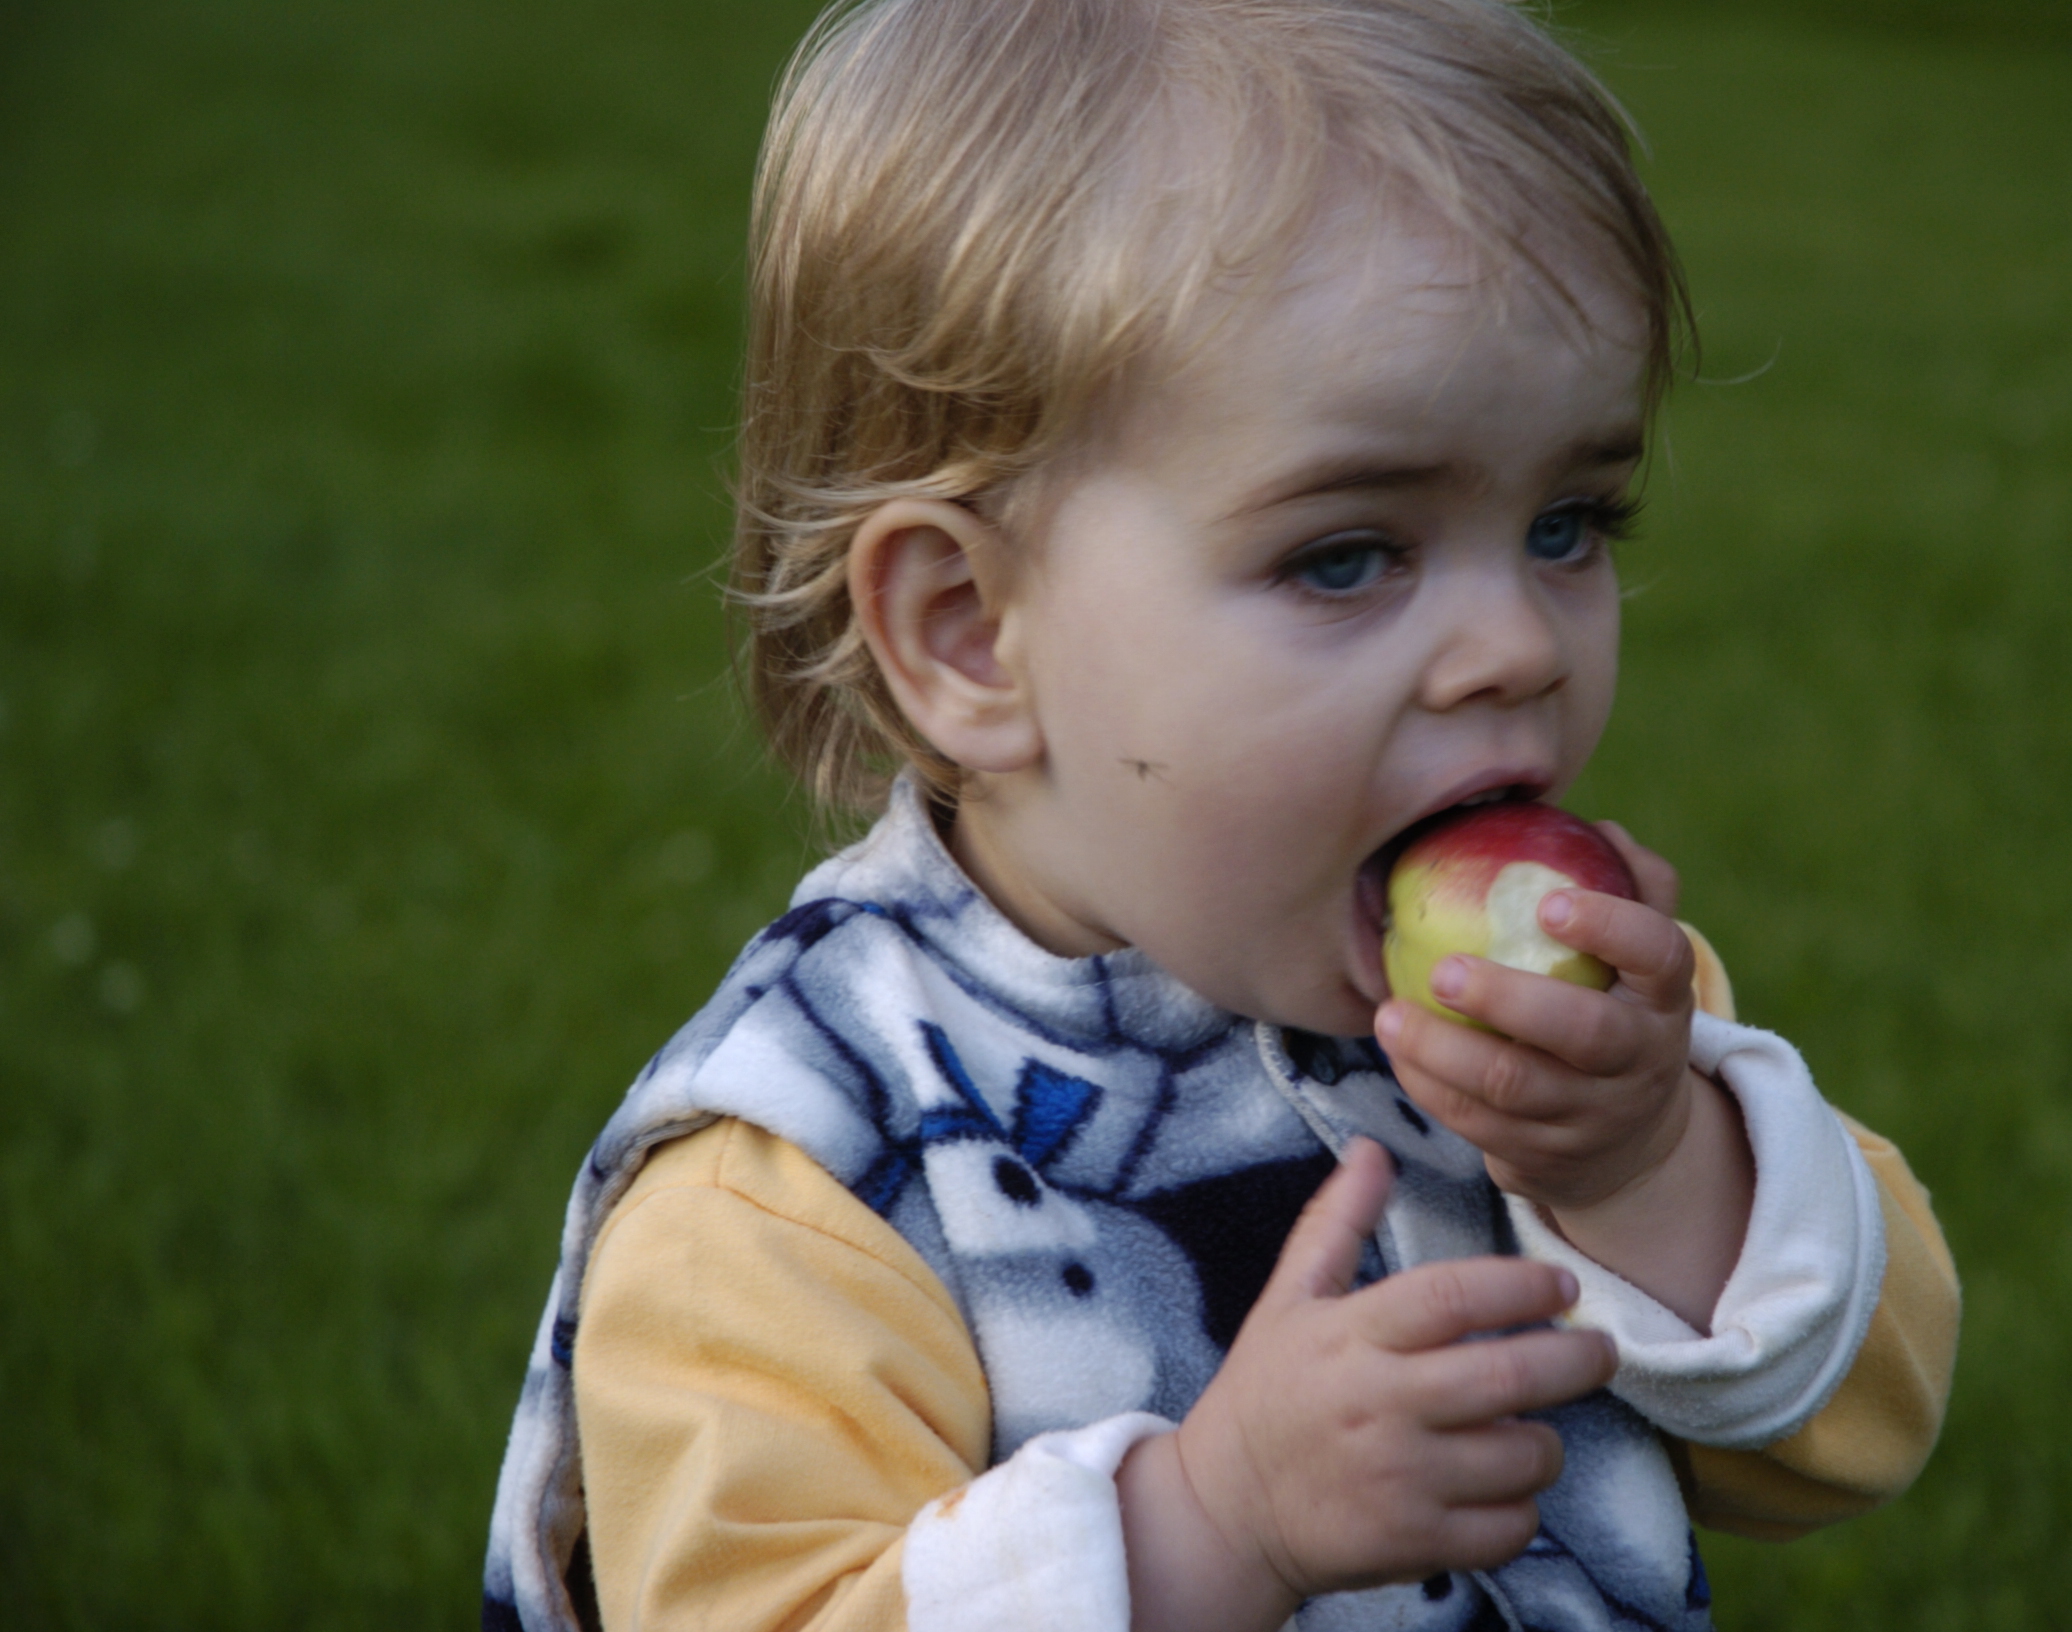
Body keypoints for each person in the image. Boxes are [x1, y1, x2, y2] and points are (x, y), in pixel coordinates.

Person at [483, 1, 1961, 1628]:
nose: (1518, 644)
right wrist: (1204, 1533)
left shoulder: (1567, 1041)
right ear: (971, 635)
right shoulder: (807, 1184)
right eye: (1347, 555)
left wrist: (1650, 1167)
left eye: (1569, 522)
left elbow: (1849, 1435)